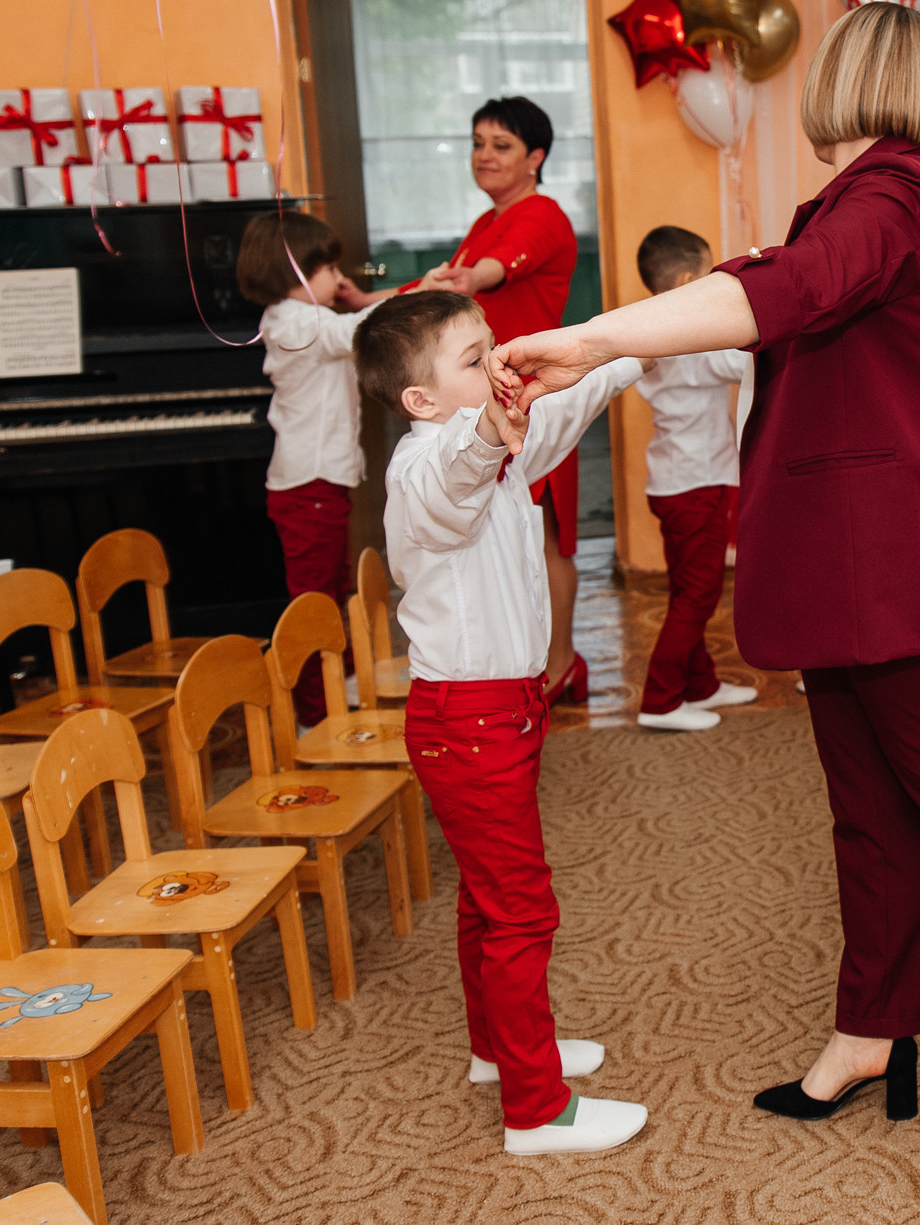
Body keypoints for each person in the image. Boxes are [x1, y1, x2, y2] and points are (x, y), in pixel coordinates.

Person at [488, 2, 920, 1125]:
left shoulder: (896, 192)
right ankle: (873, 1028)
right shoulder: (862, 202)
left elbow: (778, 299)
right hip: (850, 561)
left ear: (853, 79)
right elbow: (774, 294)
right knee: (870, 806)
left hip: (896, 561)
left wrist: (592, 335)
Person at [353, 290, 645, 1155]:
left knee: (488, 900)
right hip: (468, 720)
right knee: (522, 912)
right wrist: (489, 433)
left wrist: (628, 349)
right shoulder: (424, 468)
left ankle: (498, 1051)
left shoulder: (501, 434)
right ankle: (534, 1108)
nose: (501, 365)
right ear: (422, 400)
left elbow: (567, 402)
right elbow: (457, 477)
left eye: (495, 347)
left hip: (503, 711)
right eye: (475, 357)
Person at [419, 97, 602, 710]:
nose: (484, 156)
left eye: (501, 145)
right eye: (478, 143)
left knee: (544, 538)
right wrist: (367, 297)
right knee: (510, 533)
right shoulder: (485, 220)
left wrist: (472, 278)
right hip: (488, 404)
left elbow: (490, 271)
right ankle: (535, 664)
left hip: (532, 395)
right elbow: (447, 283)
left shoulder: (541, 212)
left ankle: (560, 666)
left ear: (536, 157)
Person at [238, 211, 385, 728]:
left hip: (320, 483)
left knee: (332, 590)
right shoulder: (299, 324)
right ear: (295, 271)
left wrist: (360, 297)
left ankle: (336, 687)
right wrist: (417, 292)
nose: (339, 278)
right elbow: (360, 331)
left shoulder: (299, 319)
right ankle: (311, 715)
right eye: (328, 267)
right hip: (310, 485)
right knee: (315, 605)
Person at [630, 225, 758, 732]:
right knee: (697, 595)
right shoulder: (688, 338)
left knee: (689, 587)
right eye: (709, 275)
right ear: (687, 279)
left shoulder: (654, 327)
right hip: (695, 485)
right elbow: (743, 356)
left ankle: (699, 683)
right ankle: (660, 700)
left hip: (674, 481)